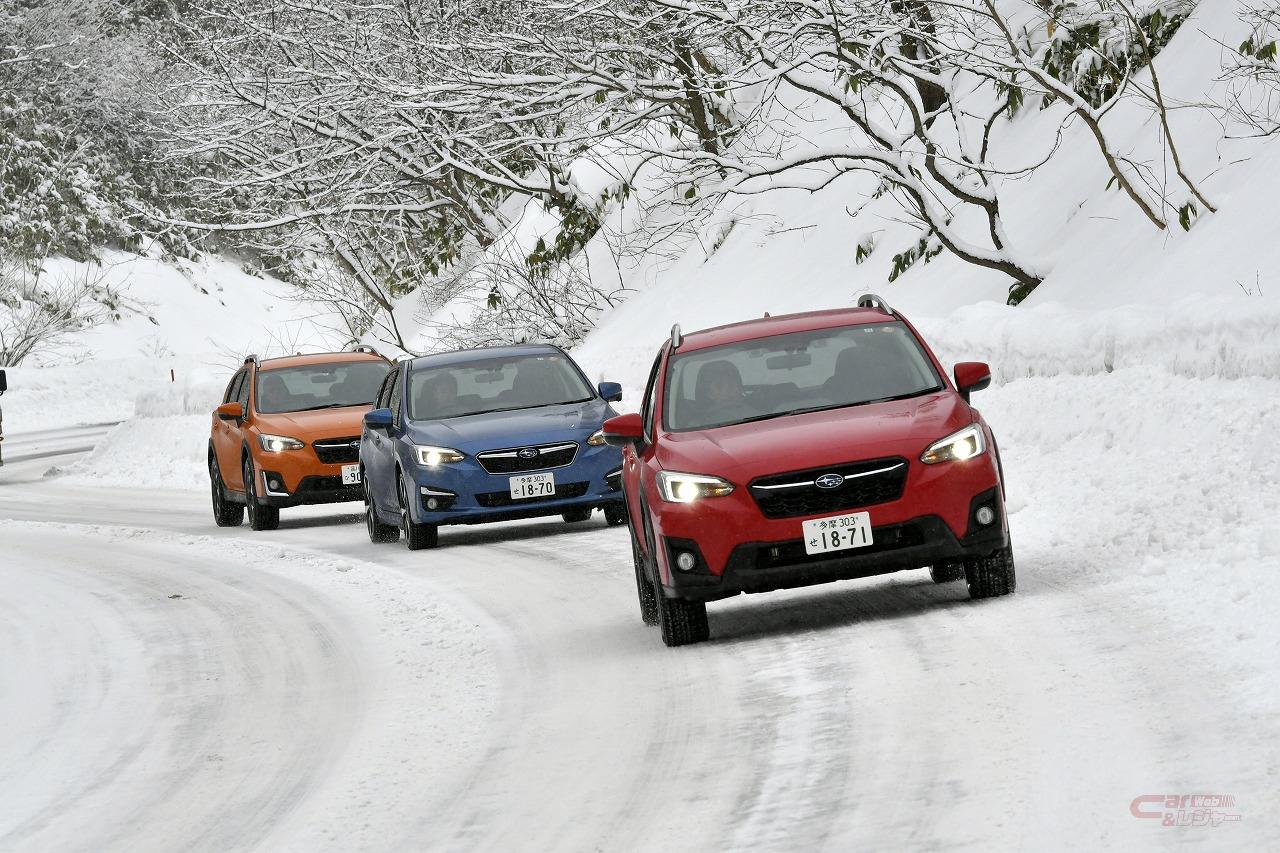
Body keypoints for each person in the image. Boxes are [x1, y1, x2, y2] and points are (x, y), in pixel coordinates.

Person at [693, 359, 755, 425]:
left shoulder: (757, 414)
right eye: (719, 386)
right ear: (708, 393)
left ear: (739, 388)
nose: (726, 391)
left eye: (731, 385)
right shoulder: (697, 426)